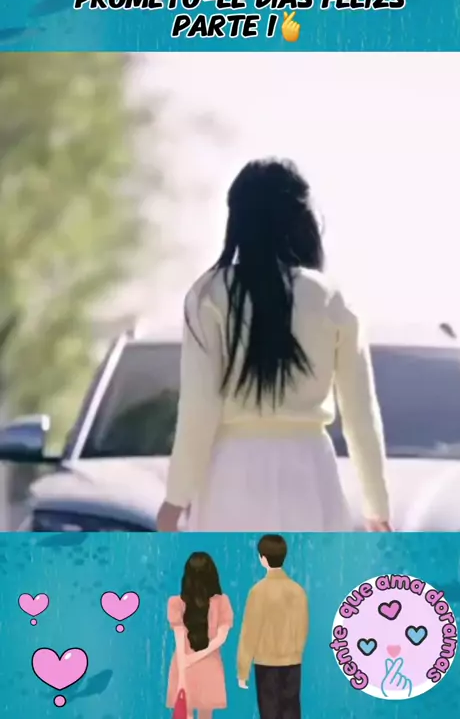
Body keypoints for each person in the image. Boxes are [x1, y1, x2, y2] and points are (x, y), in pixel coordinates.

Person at [157, 157, 392, 532]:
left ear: (237, 219)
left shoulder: (208, 295)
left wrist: (176, 498)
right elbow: (360, 414)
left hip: (230, 476)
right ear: (301, 219)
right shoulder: (330, 298)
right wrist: (377, 505)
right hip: (311, 473)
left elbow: (199, 408)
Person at [237, 534, 308, 719]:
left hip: (266, 662)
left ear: (262, 559)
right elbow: (303, 628)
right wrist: (296, 651)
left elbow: (249, 633)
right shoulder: (298, 591)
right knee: (291, 710)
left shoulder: (258, 592)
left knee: (269, 711)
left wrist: (243, 669)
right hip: (292, 662)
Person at [166, 552, 233, 719]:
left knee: (186, 712)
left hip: (184, 663)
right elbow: (220, 638)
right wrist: (195, 658)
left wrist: (184, 671)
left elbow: (180, 642)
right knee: (206, 713)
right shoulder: (222, 601)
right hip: (209, 663)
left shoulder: (176, 603)